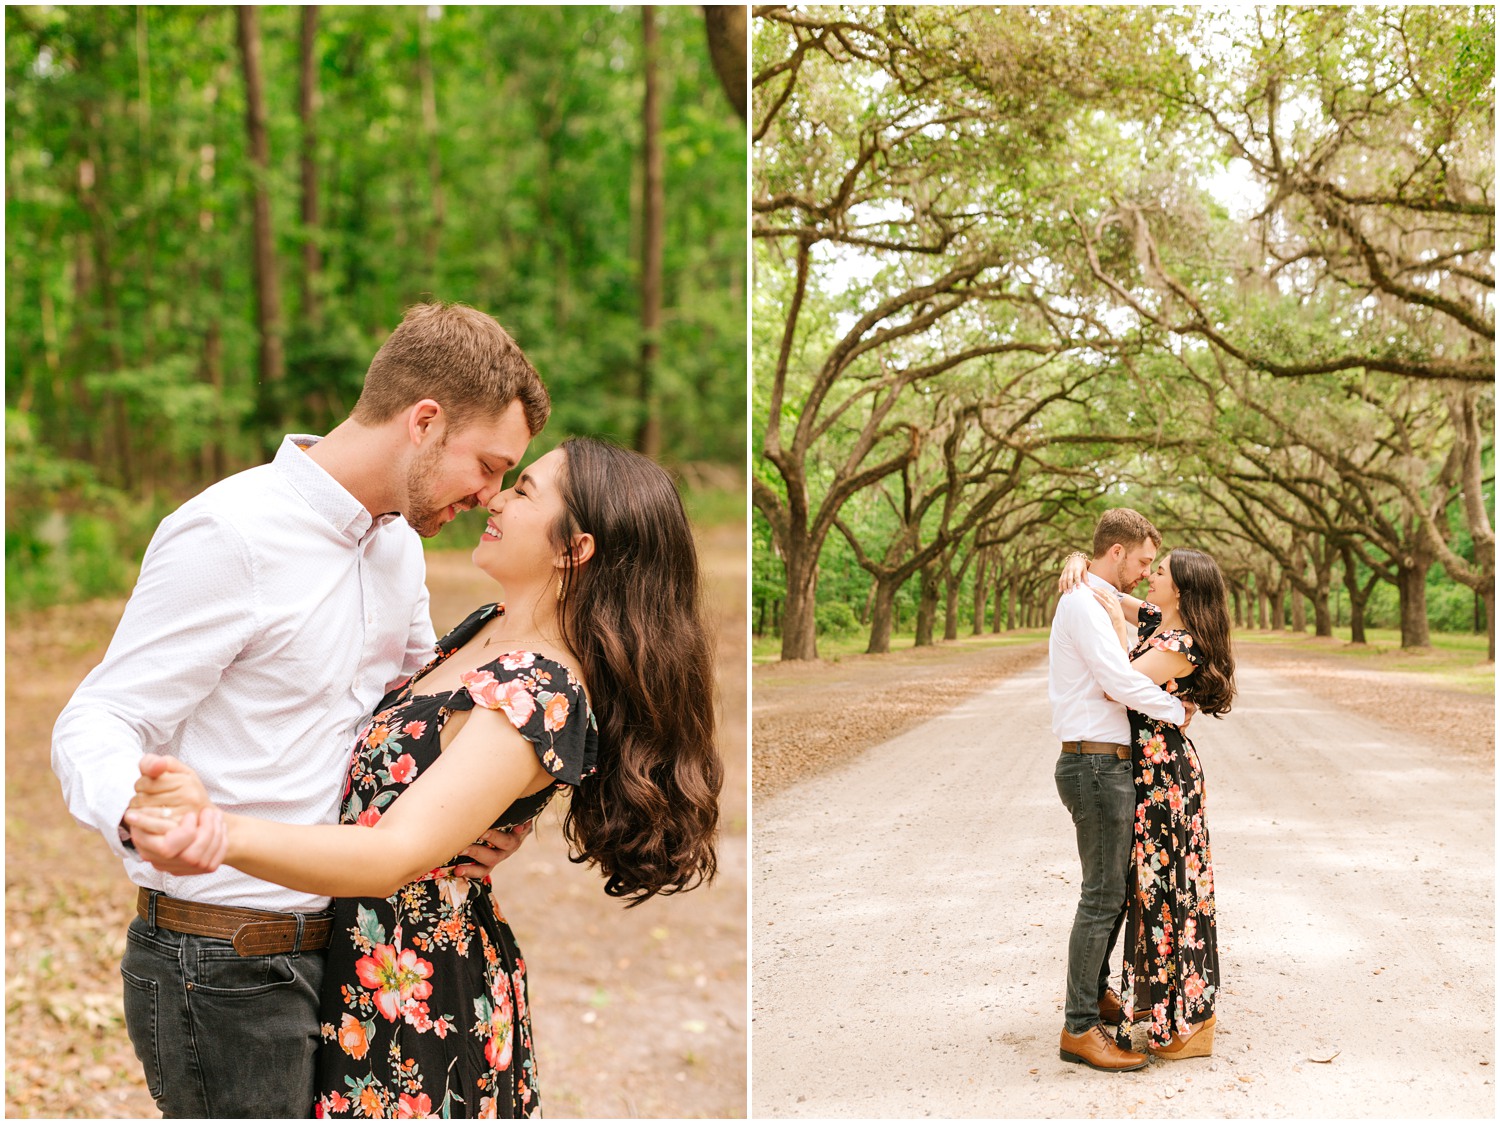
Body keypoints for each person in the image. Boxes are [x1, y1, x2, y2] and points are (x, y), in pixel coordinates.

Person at [123, 436, 723, 1118]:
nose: (496, 498)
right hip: (357, 963)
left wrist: (214, 831)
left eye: (524, 490)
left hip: (413, 996)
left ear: (573, 549)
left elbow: (389, 856)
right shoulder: (490, 630)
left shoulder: (540, 689)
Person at [51, 302, 551, 1118]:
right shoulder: (230, 533)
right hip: (228, 962)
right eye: (489, 466)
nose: (490, 496)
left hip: (357, 952)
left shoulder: (396, 547)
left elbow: (414, 711)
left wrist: (486, 812)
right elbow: (99, 715)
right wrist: (142, 818)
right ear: (424, 422)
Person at [1061, 544, 1235, 1059]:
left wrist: (1116, 623)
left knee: (1167, 889)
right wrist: (1076, 560)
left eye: (1158, 571)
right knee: (1144, 889)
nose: (1149, 577)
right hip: (1146, 766)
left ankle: (1186, 1020)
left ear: (1180, 587)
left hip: (1164, 773)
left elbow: (1121, 685)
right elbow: (1107, 588)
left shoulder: (1180, 641)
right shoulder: (1161, 617)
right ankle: (1160, 1009)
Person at [1047, 508, 1196, 1073]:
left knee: (1114, 888)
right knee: (1102, 895)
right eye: (1140, 561)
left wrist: (1081, 568)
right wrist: (1174, 710)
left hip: (1105, 763)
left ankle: (1096, 994)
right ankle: (1079, 1027)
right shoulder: (1085, 604)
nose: (1144, 572)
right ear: (1115, 552)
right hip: (1093, 765)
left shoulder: (1100, 598)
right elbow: (1115, 681)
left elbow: (1165, 614)